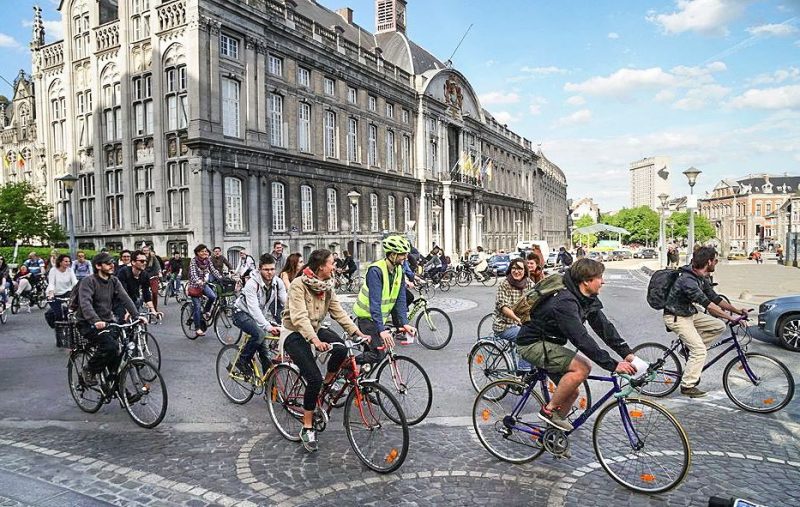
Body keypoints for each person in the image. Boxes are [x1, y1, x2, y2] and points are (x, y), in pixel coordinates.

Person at [517, 258, 637, 431]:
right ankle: (549, 411)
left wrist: (627, 354)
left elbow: (604, 328)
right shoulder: (565, 302)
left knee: (571, 392)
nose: (603, 281)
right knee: (582, 367)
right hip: (532, 344)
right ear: (587, 281)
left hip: (550, 343)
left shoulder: (587, 297)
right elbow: (581, 339)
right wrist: (613, 365)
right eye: (600, 277)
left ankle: (552, 435)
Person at [281, 249, 370, 452]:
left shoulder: (327, 286)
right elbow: (299, 317)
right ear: (321, 266)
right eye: (332, 263)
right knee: (313, 378)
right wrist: (314, 340)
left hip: (316, 328)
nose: (335, 267)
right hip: (294, 332)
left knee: (341, 350)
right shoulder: (298, 285)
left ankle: (325, 387)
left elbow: (339, 313)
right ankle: (307, 426)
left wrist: (358, 333)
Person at [663, 246, 749, 398]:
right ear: (709, 261)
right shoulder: (687, 280)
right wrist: (731, 318)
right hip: (676, 317)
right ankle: (688, 385)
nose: (716, 263)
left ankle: (688, 350)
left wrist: (737, 311)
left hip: (689, 314)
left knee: (719, 326)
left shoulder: (700, 276)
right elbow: (708, 305)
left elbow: (715, 299)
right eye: (716, 260)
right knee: (700, 351)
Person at [74, 252, 144, 386]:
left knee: (117, 353)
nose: (112, 265)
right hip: (88, 324)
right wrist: (95, 320)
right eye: (108, 263)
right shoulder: (88, 281)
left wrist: (137, 315)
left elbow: (125, 298)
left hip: (107, 321)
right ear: (98, 266)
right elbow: (85, 304)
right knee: (110, 346)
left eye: (113, 262)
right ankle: (88, 370)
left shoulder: (114, 280)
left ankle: (119, 390)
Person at [352, 235, 415, 364]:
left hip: (377, 319)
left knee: (371, 355)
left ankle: (359, 382)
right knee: (378, 354)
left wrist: (404, 323)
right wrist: (381, 330)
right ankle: (347, 364)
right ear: (392, 255)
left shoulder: (399, 270)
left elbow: (400, 299)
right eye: (402, 254)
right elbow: (375, 303)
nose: (405, 257)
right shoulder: (376, 271)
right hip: (366, 318)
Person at [231, 253, 287, 376]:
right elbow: (254, 309)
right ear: (259, 269)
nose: (270, 272)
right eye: (266, 269)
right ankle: (242, 361)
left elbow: (286, 301)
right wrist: (268, 326)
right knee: (259, 334)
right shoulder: (252, 284)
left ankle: (269, 387)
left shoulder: (278, 283)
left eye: (272, 269)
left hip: (258, 315)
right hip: (241, 313)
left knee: (265, 354)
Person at [492, 258, 535, 374]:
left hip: (523, 323)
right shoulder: (504, 284)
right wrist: (517, 319)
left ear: (525, 271)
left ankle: (532, 367)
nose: (516, 271)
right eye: (514, 268)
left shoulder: (529, 284)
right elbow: (504, 307)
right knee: (525, 338)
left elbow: (537, 300)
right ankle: (522, 374)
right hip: (504, 325)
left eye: (520, 268)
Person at [188, 244, 224, 337]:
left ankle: (206, 311)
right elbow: (193, 274)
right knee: (197, 306)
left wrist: (221, 278)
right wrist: (198, 281)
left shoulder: (208, 260)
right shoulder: (194, 261)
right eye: (202, 251)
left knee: (213, 296)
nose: (204, 253)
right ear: (197, 253)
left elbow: (214, 270)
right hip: (194, 286)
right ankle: (197, 328)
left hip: (203, 284)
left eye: (205, 251)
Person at [115, 250, 157, 320]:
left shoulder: (145, 275)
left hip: (134, 300)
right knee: (123, 322)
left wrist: (153, 310)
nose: (145, 263)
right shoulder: (123, 272)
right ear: (133, 262)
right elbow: (123, 294)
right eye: (142, 261)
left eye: (145, 261)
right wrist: (128, 310)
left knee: (136, 322)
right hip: (120, 301)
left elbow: (146, 293)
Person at [46, 254, 78, 322]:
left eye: (69, 261)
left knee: (69, 312)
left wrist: (79, 290)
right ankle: (58, 329)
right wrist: (51, 294)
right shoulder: (53, 270)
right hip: (54, 294)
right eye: (66, 261)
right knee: (58, 314)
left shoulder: (70, 270)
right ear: (60, 262)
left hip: (67, 292)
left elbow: (75, 282)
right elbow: (51, 283)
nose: (68, 263)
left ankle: (69, 329)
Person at [141, 245, 162, 313]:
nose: (145, 252)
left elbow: (157, 266)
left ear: (149, 251)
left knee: (155, 293)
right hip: (144, 276)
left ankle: (155, 308)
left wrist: (158, 273)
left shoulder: (153, 258)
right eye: (144, 251)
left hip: (153, 277)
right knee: (143, 291)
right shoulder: (140, 258)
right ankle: (145, 302)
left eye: (147, 251)